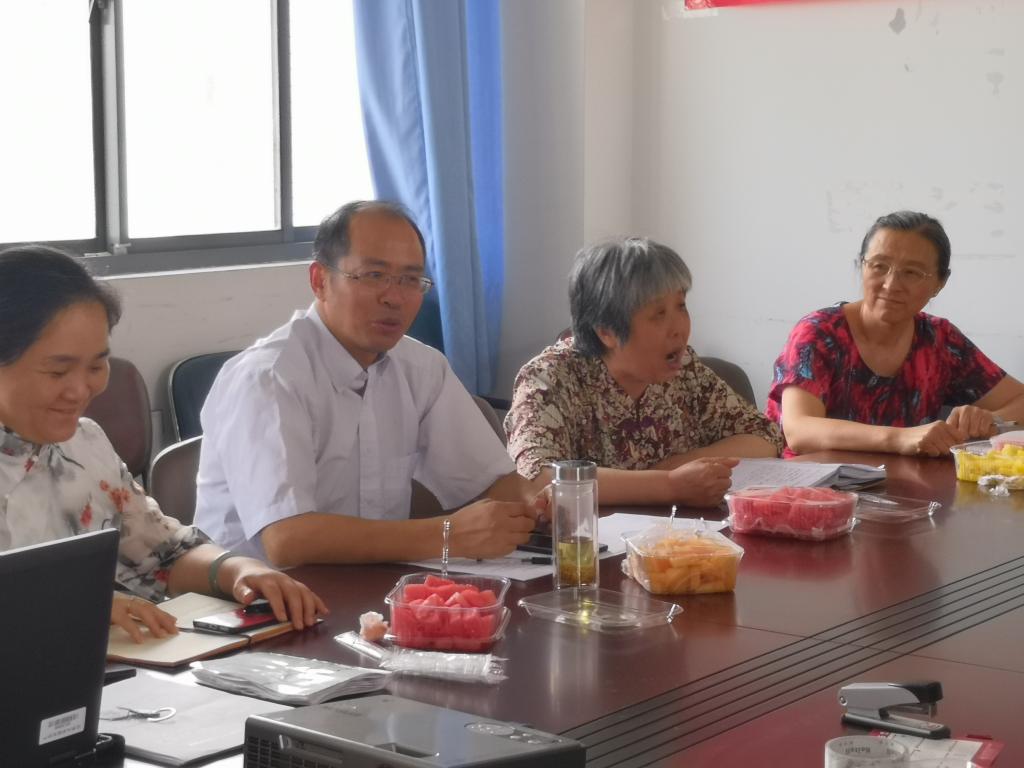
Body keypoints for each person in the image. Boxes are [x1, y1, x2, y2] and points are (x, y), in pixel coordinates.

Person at [0, 245, 326, 643]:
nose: (81, 389)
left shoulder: (85, 443)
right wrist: (80, 606)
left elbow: (162, 554)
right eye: (57, 371)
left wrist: (239, 570)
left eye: (96, 366)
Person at [194, 200, 542, 567]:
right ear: (320, 281)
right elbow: (287, 539)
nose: (394, 297)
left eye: (410, 280)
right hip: (255, 596)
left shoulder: (422, 367)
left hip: (373, 587)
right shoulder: (269, 378)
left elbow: (488, 483)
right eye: (374, 275)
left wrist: (543, 502)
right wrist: (445, 535)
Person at [505, 237, 783, 507]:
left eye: (681, 306)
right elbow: (535, 480)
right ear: (607, 331)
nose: (679, 328)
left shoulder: (685, 370)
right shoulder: (549, 379)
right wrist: (668, 485)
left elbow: (764, 436)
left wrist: (684, 463)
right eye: (658, 314)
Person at [766, 210, 1024, 457]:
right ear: (861, 266)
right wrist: (899, 439)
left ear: (940, 283)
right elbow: (799, 431)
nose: (891, 285)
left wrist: (992, 420)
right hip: (812, 484)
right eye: (879, 266)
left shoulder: (940, 340)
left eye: (911, 273)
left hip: (905, 483)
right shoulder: (820, 333)